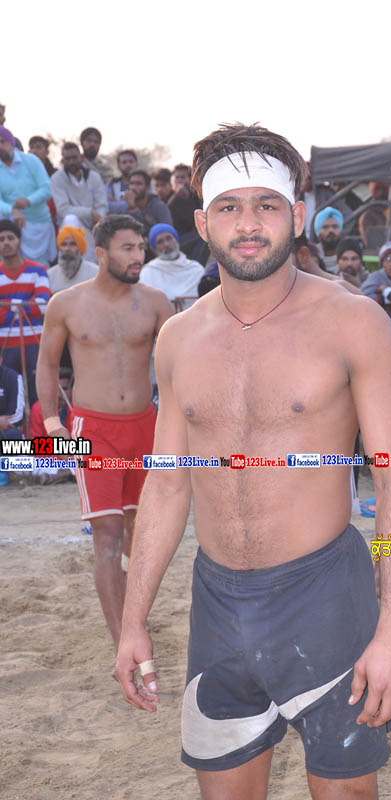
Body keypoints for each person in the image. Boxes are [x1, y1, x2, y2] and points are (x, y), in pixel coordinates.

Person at [115, 122, 391, 800]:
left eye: (266, 205)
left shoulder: (353, 321)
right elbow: (166, 488)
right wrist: (134, 622)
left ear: (297, 216)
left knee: (344, 792)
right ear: (203, 222)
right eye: (228, 207)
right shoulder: (177, 337)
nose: (248, 224)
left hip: (326, 598)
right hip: (217, 605)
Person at [36, 214, 173, 649]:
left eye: (140, 247)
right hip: (92, 431)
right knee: (108, 533)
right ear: (101, 253)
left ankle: (133, 616)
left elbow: (178, 365)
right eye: (128, 248)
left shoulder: (155, 302)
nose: (139, 256)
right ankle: (122, 641)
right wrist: (53, 423)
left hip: (146, 426)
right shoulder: (66, 304)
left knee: (140, 530)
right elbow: (47, 364)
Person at [0, 219, 50, 406]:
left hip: (35, 344)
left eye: (10, 238)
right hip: (4, 347)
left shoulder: (38, 270)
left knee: (38, 397)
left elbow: (42, 306)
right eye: (1, 239)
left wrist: (6, 305)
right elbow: (33, 307)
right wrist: (24, 305)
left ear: (19, 241)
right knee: (9, 401)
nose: (6, 243)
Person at [0, 126, 56, 267]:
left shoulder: (31, 161)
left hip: (38, 222)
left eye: (2, 142)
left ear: (11, 143)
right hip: (11, 222)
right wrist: (12, 210)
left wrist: (28, 201)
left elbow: (47, 188)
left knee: (40, 268)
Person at [50, 142, 108, 262]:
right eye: (68, 159)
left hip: (94, 225)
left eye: (74, 158)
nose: (71, 162)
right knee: (70, 219)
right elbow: (63, 210)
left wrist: (98, 220)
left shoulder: (94, 177)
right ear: (62, 160)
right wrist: (89, 212)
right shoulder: (56, 179)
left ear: (81, 158)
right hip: (70, 225)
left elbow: (102, 204)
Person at [140, 223, 204, 311]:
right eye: (160, 242)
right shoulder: (147, 273)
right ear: (155, 249)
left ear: (176, 240)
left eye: (169, 238)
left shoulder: (195, 269)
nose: (166, 244)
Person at [47, 225, 98, 294]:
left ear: (80, 248)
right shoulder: (50, 275)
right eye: (64, 244)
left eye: (73, 244)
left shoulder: (95, 273)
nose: (67, 249)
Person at [125, 170, 172, 235]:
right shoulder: (125, 206)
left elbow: (168, 233)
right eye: (131, 184)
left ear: (148, 187)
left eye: (139, 184)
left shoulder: (159, 207)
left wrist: (133, 208)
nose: (133, 187)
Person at [0, 353, 24, 440]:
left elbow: (17, 414)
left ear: (0, 359)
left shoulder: (13, 377)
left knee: (14, 435)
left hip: (5, 431)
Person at [313, 206, 343, 273]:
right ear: (318, 232)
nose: (331, 230)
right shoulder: (312, 256)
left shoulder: (349, 256)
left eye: (335, 226)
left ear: (340, 230)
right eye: (325, 227)